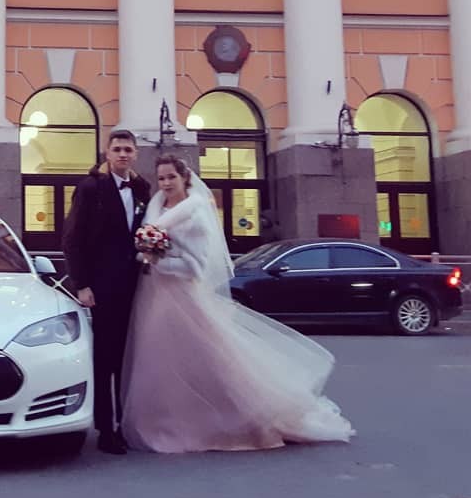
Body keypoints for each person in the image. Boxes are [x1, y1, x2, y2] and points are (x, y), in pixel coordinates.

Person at [122, 154, 354, 453]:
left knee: (208, 363)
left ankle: (238, 420)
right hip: (155, 296)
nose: (166, 183)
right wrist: (147, 253)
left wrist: (158, 261)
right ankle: (167, 420)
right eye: (162, 178)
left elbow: (196, 267)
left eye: (172, 177)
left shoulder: (194, 214)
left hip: (184, 297)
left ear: (184, 178)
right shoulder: (155, 208)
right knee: (160, 363)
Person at [62, 129, 151, 454]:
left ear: (136, 154)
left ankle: (125, 423)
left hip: (136, 285)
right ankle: (105, 429)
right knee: (105, 358)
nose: (123, 154)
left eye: (128, 149)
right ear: (107, 153)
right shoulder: (90, 188)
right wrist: (82, 284)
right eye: (117, 149)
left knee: (127, 358)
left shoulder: (141, 188)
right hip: (102, 286)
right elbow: (72, 238)